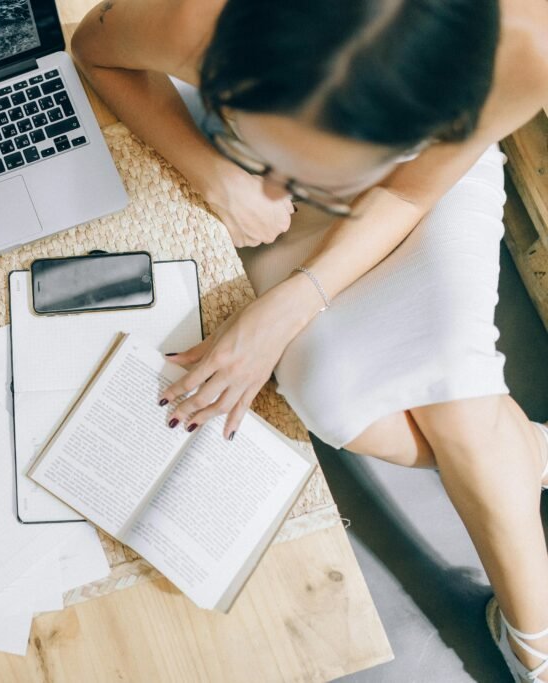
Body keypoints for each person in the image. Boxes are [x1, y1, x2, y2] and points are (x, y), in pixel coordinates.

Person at [71, 0, 548, 679]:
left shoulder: (521, 52)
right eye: (259, 146)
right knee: (333, 400)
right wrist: (222, 173)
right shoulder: (199, 20)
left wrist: (292, 303)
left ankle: (534, 642)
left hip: (411, 193)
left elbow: (411, 190)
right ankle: (525, 449)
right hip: (287, 212)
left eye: (316, 171)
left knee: (462, 407)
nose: (277, 180)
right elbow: (94, 43)